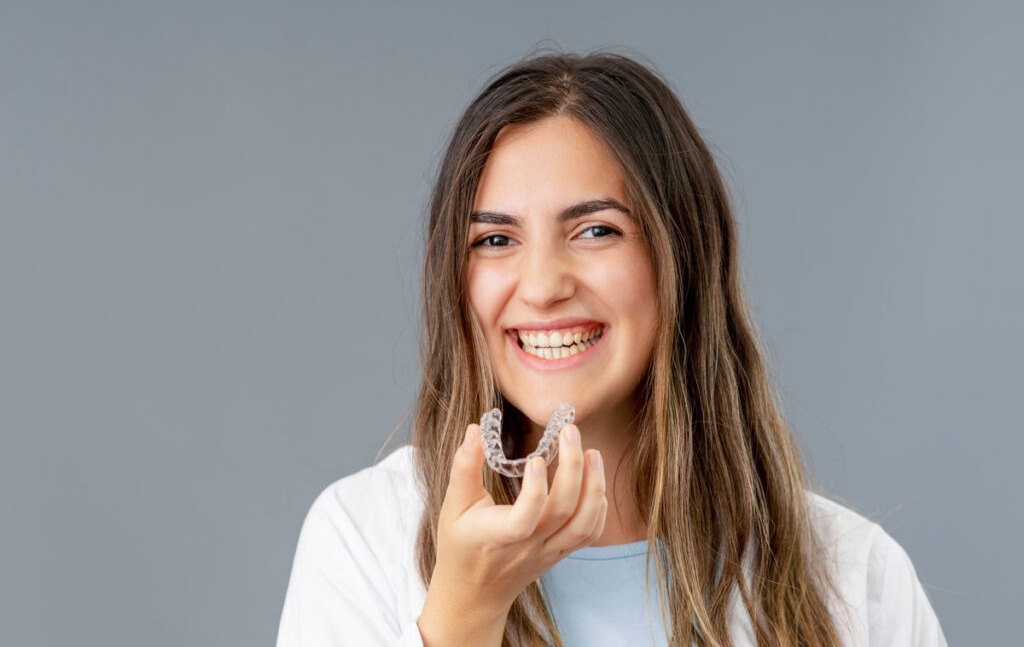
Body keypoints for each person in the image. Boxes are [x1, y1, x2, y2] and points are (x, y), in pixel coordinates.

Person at [275, 50, 949, 646]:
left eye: (595, 231)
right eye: (495, 240)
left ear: (681, 257)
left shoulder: (858, 577)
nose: (540, 286)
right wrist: (460, 617)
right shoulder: (362, 537)